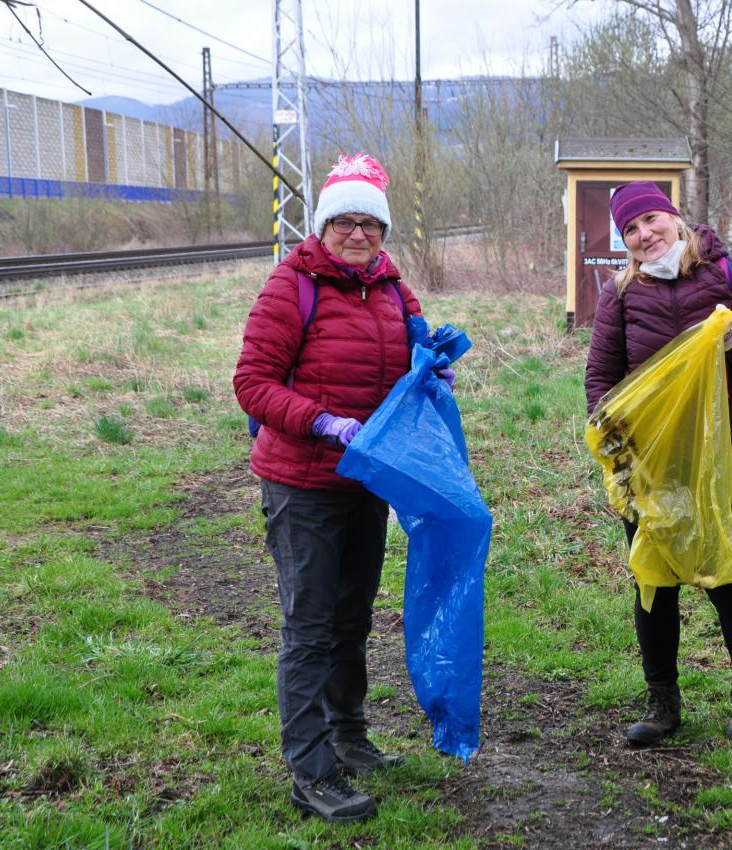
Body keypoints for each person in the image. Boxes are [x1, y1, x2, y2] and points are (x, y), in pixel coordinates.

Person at [233, 153, 453, 822]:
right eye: (344, 223)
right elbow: (252, 384)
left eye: (370, 225)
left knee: (352, 617)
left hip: (367, 480)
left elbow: (408, 361)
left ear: (383, 232)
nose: (358, 235)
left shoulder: (392, 289)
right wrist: (321, 422)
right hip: (302, 483)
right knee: (309, 626)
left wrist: (432, 372)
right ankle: (312, 771)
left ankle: (349, 737)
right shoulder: (291, 286)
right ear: (323, 227)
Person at [585, 181, 732, 747]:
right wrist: (616, 447)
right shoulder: (620, 294)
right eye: (630, 230)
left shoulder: (730, 275)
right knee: (654, 581)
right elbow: (601, 379)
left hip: (716, 460)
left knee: (730, 576)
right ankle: (662, 701)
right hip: (647, 462)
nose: (644, 234)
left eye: (650, 219)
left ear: (674, 217)